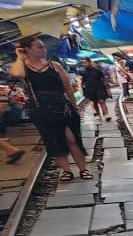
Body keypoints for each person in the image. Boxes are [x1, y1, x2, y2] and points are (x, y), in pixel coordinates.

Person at [10, 36, 92, 181]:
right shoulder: (23, 67)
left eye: (43, 47)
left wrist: (74, 107)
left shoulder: (54, 65)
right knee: (53, 140)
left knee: (72, 139)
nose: (44, 50)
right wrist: (20, 57)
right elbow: (16, 74)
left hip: (63, 108)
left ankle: (83, 169)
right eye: (39, 47)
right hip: (41, 110)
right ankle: (66, 171)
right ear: (27, 49)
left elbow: (67, 88)